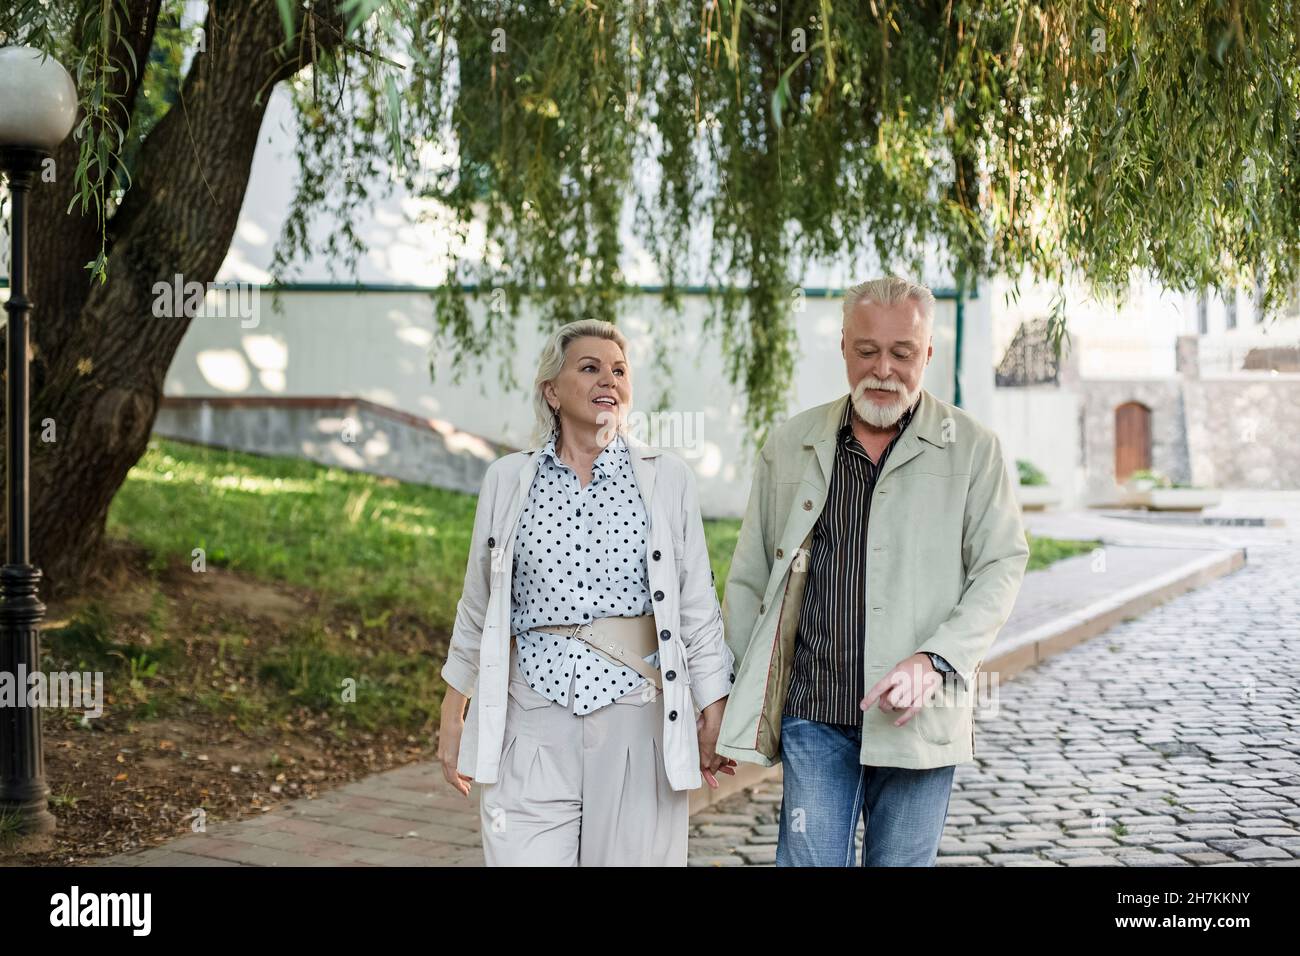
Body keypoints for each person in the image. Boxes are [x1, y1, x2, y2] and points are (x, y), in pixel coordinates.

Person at [718, 275, 1030, 866]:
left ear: (928, 354)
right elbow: (751, 577)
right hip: (814, 709)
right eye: (866, 351)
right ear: (843, 346)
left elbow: (1001, 566)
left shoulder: (973, 448)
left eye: (902, 353)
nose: (882, 369)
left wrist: (935, 659)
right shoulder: (790, 444)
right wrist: (724, 703)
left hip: (919, 716)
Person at [437, 318, 737, 866]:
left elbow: (697, 606)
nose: (610, 380)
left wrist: (713, 707)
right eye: (590, 367)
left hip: (635, 718)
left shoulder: (666, 480)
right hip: (530, 724)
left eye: (619, 370)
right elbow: (477, 607)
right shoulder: (507, 480)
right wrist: (453, 715)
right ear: (551, 391)